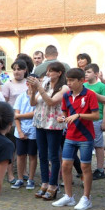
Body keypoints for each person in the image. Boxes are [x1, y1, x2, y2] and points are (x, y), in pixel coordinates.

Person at [52, 68, 99, 210]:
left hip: (85, 136)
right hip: (70, 136)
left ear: (81, 81)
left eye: (72, 80)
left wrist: (79, 115)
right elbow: (65, 115)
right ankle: (69, 196)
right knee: (66, 166)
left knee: (85, 167)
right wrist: (62, 119)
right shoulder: (66, 95)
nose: (69, 83)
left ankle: (86, 198)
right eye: (68, 80)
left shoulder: (90, 94)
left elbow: (96, 116)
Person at [28, 63, 69, 201]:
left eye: (51, 71)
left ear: (59, 73)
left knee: (53, 155)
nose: (48, 74)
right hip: (40, 122)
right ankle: (44, 182)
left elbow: (51, 102)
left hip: (53, 124)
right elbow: (33, 103)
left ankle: (53, 184)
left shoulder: (64, 87)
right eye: (48, 71)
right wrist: (33, 91)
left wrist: (39, 87)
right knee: (42, 155)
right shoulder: (44, 84)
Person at [83, 64, 105, 180]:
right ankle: (86, 168)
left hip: (97, 118)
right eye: (85, 72)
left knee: (98, 145)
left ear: (96, 74)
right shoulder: (83, 85)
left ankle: (100, 168)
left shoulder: (102, 87)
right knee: (86, 144)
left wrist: (104, 121)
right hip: (85, 118)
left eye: (89, 72)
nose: (86, 74)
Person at [11, 85, 37, 190]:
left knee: (32, 155)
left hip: (34, 129)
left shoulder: (39, 96)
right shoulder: (21, 97)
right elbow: (15, 114)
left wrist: (19, 116)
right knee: (20, 155)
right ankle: (20, 178)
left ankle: (31, 179)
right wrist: (20, 131)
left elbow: (35, 114)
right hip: (20, 129)